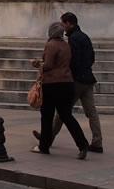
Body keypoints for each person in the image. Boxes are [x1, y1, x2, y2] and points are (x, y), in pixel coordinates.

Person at [32, 22, 90, 160]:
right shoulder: (66, 45)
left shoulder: (51, 44)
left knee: (47, 116)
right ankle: (82, 144)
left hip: (52, 84)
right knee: (66, 116)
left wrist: (37, 64)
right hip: (67, 83)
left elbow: (49, 65)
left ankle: (44, 146)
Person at [50, 12, 103, 152]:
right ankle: (97, 142)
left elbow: (72, 60)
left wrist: (71, 75)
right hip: (88, 78)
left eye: (63, 24)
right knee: (92, 113)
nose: (62, 27)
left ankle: (48, 138)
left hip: (77, 80)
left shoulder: (73, 39)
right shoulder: (85, 36)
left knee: (62, 111)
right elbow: (92, 57)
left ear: (69, 23)